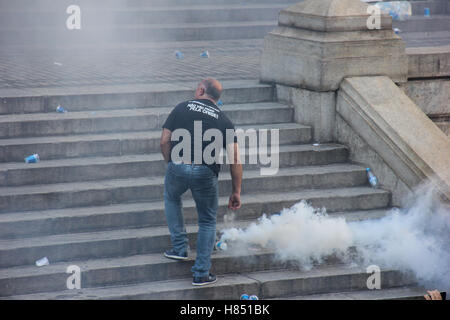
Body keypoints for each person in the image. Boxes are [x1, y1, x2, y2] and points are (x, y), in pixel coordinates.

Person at [160, 77, 243, 286]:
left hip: (178, 164)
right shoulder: (224, 120)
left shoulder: (181, 107)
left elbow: (164, 140)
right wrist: (236, 191)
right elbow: (235, 159)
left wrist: (171, 163)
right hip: (206, 172)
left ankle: (179, 249)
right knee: (207, 220)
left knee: (171, 197)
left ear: (200, 90)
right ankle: (201, 273)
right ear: (216, 98)